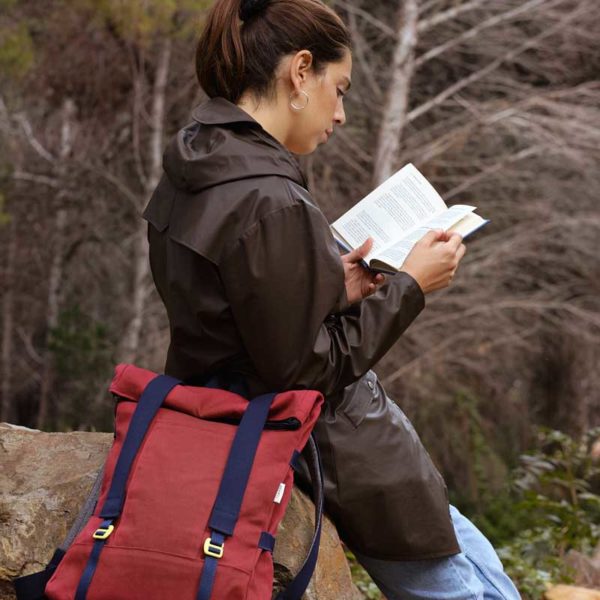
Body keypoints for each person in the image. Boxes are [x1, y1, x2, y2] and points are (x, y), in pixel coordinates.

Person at [143, 0, 521, 598]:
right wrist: (411, 286)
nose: (341, 113)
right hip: (324, 447)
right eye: (338, 89)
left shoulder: (197, 163)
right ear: (300, 72)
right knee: (465, 586)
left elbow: (235, 309)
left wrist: (330, 283)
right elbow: (302, 370)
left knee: (480, 565)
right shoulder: (269, 196)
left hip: (231, 420)